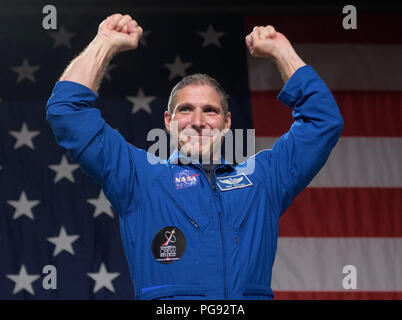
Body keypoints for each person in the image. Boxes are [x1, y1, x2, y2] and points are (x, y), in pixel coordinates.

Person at [46, 13, 343, 300]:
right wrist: (104, 43)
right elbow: (66, 111)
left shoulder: (264, 179)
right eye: (185, 109)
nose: (197, 121)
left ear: (227, 123)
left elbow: (323, 122)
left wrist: (282, 50)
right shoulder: (139, 178)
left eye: (210, 111)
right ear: (168, 121)